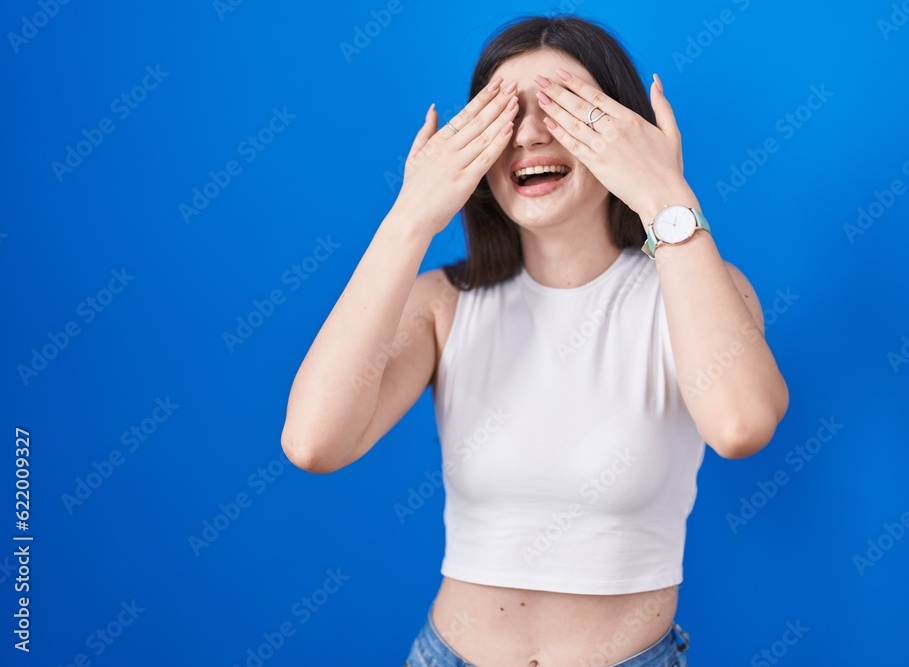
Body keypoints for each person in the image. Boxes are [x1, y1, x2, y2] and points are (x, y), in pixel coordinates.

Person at [280, 14, 788, 667]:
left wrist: (664, 188)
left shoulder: (693, 291)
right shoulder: (443, 304)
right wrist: (411, 214)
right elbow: (311, 440)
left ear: (625, 131)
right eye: (501, 114)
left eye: (566, 108)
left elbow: (742, 423)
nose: (528, 133)